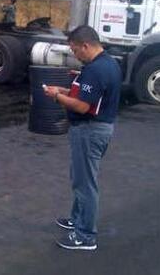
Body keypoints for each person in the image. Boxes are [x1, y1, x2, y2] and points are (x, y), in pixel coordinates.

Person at [43, 25, 122, 251]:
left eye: (75, 50)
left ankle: (86, 235)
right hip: (96, 129)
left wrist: (56, 96)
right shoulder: (108, 64)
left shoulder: (95, 70)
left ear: (86, 46)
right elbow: (87, 95)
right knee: (80, 178)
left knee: (85, 184)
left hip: (90, 130)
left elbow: (82, 106)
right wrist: (63, 90)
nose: (75, 55)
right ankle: (77, 219)